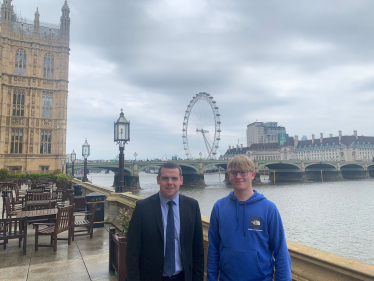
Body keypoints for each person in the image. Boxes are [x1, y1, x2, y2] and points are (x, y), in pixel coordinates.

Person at [207, 155, 292, 281]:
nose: (238, 176)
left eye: (243, 172)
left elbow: (281, 252)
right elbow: (213, 249)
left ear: (253, 175)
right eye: (234, 172)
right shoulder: (219, 207)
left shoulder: (269, 209)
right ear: (229, 176)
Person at [127, 162, 204, 281]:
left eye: (174, 178)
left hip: (183, 277)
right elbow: (132, 252)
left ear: (181, 180)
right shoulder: (142, 207)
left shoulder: (192, 206)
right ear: (158, 180)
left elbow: (198, 250)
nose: (170, 183)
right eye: (165, 178)